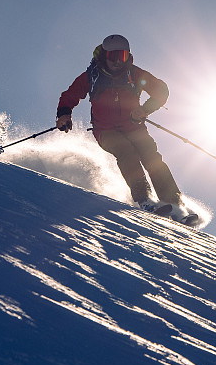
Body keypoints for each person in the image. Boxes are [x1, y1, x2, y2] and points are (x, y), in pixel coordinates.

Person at [56, 34, 196, 224]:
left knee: (151, 157)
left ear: (127, 56)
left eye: (121, 56)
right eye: (112, 56)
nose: (116, 62)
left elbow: (161, 90)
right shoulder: (92, 76)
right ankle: (145, 199)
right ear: (104, 55)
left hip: (134, 126)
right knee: (126, 152)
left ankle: (176, 205)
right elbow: (70, 95)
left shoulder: (134, 74)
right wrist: (64, 114)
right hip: (105, 130)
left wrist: (145, 109)